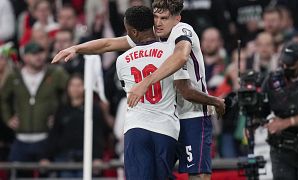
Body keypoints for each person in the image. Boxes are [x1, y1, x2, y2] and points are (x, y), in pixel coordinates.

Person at [51, 1, 225, 178]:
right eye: (155, 17)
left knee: (198, 175)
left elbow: (181, 57)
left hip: (192, 113)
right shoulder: (157, 36)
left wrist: (145, 82)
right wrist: (77, 48)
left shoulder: (182, 30)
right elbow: (108, 44)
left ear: (177, 18)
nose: (158, 23)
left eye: (164, 18)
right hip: (169, 117)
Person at [116, 6, 178, 179]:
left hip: (137, 128)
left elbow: (128, 90)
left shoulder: (122, 60)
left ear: (134, 32)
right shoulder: (172, 52)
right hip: (167, 129)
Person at [0, 42, 68, 177]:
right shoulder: (15, 76)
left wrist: (58, 117)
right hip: (20, 139)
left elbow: (71, 93)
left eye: (41, 53)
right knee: (19, 175)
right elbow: (3, 98)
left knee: (48, 175)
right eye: (34, 54)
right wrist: (8, 118)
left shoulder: (55, 74)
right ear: (25, 57)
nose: (38, 57)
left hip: (46, 138)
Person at [263, 41, 298, 180]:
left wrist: (286, 122)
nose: (285, 67)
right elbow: (262, 106)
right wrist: (254, 119)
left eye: (290, 64)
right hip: (281, 150)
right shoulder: (273, 78)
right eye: (283, 62)